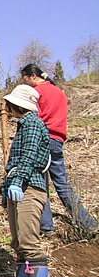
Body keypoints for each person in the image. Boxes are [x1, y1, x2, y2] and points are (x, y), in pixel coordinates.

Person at [21, 63, 98, 233]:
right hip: (57, 140)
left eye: (25, 79)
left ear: (33, 76)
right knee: (62, 184)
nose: (25, 83)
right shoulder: (60, 92)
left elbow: (34, 118)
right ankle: (87, 223)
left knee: (39, 182)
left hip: (42, 139)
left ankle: (46, 225)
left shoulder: (36, 93)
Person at [0, 84, 51, 277]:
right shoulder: (25, 125)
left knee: (29, 243)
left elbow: (28, 157)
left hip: (29, 188)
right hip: (20, 187)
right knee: (19, 244)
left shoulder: (32, 124)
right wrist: (6, 188)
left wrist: (18, 182)